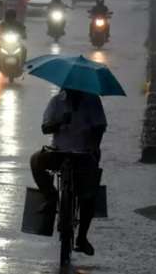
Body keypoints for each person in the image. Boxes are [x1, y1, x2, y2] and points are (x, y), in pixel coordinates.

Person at [30, 88, 107, 256]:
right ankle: (51, 197)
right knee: (35, 160)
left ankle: (82, 237)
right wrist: (59, 122)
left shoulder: (93, 101)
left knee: (89, 195)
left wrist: (93, 145)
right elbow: (45, 127)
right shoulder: (56, 101)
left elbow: (101, 126)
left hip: (84, 155)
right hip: (59, 152)